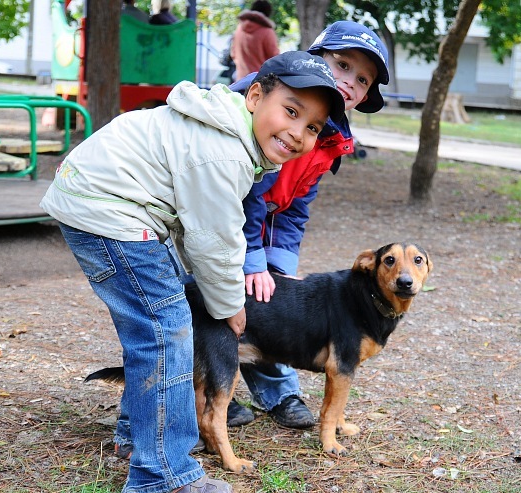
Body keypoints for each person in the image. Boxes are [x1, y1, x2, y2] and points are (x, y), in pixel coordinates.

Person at [40, 51, 344, 492]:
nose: (297, 132)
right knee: (167, 331)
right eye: (292, 111)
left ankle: (136, 439)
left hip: (107, 205)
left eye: (312, 127)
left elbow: (195, 228)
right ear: (256, 95)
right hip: (110, 211)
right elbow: (214, 242)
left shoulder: (229, 134)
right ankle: (163, 475)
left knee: (158, 330)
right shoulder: (225, 155)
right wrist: (229, 308)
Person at [224, 20, 391, 430]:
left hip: (251, 221)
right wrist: (252, 259)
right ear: (315, 57)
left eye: (362, 79)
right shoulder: (273, 99)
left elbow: (295, 207)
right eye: (341, 64)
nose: (348, 82)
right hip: (216, 215)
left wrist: (278, 264)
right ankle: (212, 392)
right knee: (221, 303)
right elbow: (247, 193)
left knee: (270, 297)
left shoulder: (329, 137)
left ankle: (278, 394)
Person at [230, 0, 279, 80]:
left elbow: (233, 53)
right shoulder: (267, 31)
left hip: (241, 80)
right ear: (268, 13)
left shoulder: (239, 28)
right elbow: (275, 59)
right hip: (261, 82)